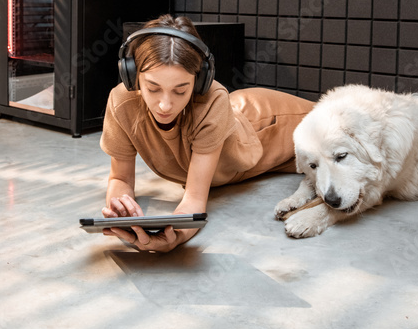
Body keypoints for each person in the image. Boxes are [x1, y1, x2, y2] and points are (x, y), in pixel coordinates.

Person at [99, 14, 316, 253]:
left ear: (200, 81)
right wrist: (120, 207)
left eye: (180, 91)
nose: (165, 105)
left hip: (268, 124)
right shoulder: (121, 103)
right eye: (153, 88)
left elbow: (194, 199)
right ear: (132, 75)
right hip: (244, 154)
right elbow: (120, 179)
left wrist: (176, 238)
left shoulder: (212, 101)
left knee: (345, 131)